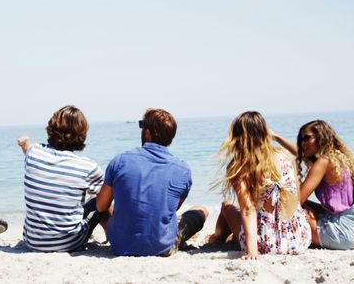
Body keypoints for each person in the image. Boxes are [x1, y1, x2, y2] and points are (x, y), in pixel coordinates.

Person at [95, 108, 209, 256]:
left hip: (120, 245)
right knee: (201, 210)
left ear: (147, 133)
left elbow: (100, 206)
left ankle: (118, 233)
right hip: (161, 247)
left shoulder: (120, 161)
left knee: (100, 201)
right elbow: (171, 209)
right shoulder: (183, 169)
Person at [209, 111, 311, 259]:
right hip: (298, 239)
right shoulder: (285, 156)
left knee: (227, 206)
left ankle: (216, 238)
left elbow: (248, 210)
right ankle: (219, 237)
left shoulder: (240, 166)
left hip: (265, 243)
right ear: (265, 133)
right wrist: (277, 137)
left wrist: (252, 251)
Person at [273, 120, 354, 250]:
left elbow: (297, 200)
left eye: (307, 138)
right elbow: (301, 154)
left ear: (321, 138)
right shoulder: (340, 159)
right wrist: (277, 138)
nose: (303, 143)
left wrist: (290, 179)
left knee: (297, 209)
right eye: (301, 140)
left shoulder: (323, 162)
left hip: (341, 236)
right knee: (307, 205)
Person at [17, 105, 106, 252]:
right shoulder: (88, 167)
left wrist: (24, 140)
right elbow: (104, 200)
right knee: (102, 200)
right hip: (69, 243)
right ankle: (109, 235)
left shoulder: (33, 153)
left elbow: (26, 144)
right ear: (82, 134)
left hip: (33, 242)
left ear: (51, 128)